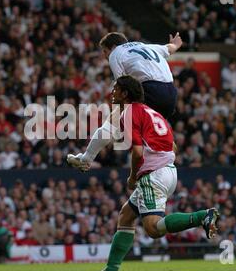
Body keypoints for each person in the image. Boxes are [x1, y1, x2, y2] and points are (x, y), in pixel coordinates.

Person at [95, 76, 219, 271]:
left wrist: (133, 177)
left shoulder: (129, 112)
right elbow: (173, 145)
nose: (113, 92)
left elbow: (137, 153)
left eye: (116, 89)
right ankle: (111, 270)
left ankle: (203, 216)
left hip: (152, 175)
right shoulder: (153, 113)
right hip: (168, 170)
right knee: (126, 216)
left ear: (125, 93)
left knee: (153, 229)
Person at [67, 31, 182, 171]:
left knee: (113, 121)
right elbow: (170, 48)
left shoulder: (116, 53)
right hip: (171, 93)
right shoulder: (147, 46)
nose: (104, 56)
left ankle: (86, 159)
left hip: (150, 89)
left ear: (113, 46)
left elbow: (122, 84)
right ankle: (167, 163)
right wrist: (175, 43)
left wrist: (118, 110)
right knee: (156, 130)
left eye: (105, 51)